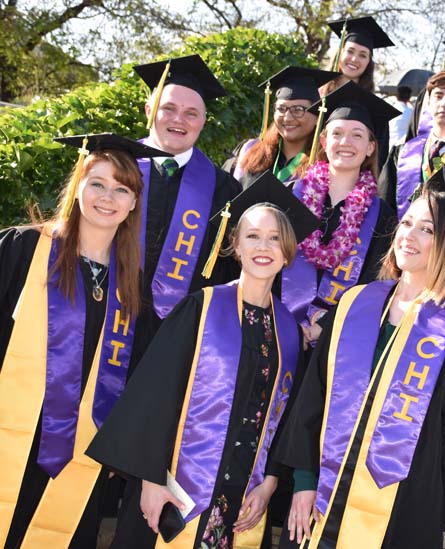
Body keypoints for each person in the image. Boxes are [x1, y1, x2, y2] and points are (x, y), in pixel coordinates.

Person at [275, 165, 445, 548]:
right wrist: (303, 482)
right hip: (320, 502)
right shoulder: (353, 306)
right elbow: (314, 397)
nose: (408, 236)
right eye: (408, 223)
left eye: (427, 229)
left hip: (402, 514)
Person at [86, 173, 320, 548]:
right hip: (173, 492)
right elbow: (155, 396)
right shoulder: (201, 308)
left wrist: (269, 485)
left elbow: (288, 419)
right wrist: (149, 480)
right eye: (253, 236)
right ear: (236, 246)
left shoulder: (290, 332)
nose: (264, 246)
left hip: (244, 499)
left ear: (288, 251)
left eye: (276, 238)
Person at [0, 133, 166, 548]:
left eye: (121, 189)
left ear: (132, 205)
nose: (107, 197)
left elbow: (138, 379)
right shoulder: (24, 250)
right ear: (78, 188)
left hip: (80, 452)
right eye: (98, 183)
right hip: (10, 430)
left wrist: (118, 445)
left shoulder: (131, 288)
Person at [131, 54, 242, 370]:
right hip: (104, 325)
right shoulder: (114, 169)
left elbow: (226, 275)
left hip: (179, 343)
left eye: (191, 113)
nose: (179, 120)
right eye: (168, 109)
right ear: (150, 111)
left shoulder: (224, 191)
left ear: (203, 121)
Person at [277, 81, 399, 348]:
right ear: (323, 141)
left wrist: (327, 324)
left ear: (370, 147)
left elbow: (374, 288)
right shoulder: (288, 197)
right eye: (337, 133)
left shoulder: (384, 218)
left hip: (339, 341)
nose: (346, 142)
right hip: (278, 328)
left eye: (357, 135)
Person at [379, 68, 445, 217]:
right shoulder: (401, 153)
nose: (444, 103)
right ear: (428, 101)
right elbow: (385, 208)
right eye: (438, 96)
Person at [226, 66, 338, 189]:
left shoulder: (325, 165)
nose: (288, 117)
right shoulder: (250, 152)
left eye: (298, 109)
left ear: (317, 116)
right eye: (281, 109)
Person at [323, 16, 396, 167]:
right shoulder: (317, 96)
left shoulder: (375, 109)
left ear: (369, 62)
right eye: (350, 51)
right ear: (340, 54)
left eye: (363, 55)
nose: (355, 59)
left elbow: (379, 160)